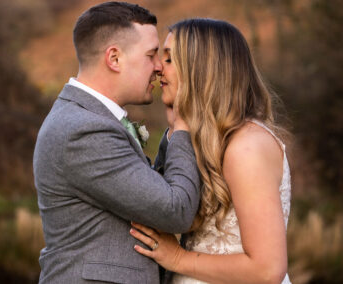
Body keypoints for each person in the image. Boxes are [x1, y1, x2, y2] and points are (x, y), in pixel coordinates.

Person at [33, 2, 201, 284]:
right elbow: (176, 210)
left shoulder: (86, 119)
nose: (159, 67)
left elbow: (149, 191)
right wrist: (183, 127)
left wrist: (172, 133)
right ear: (115, 59)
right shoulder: (84, 131)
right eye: (151, 55)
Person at [130, 18, 292, 284]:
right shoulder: (207, 140)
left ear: (200, 70)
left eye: (169, 60)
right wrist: (176, 128)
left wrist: (178, 259)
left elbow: (268, 269)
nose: (159, 68)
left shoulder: (246, 146)